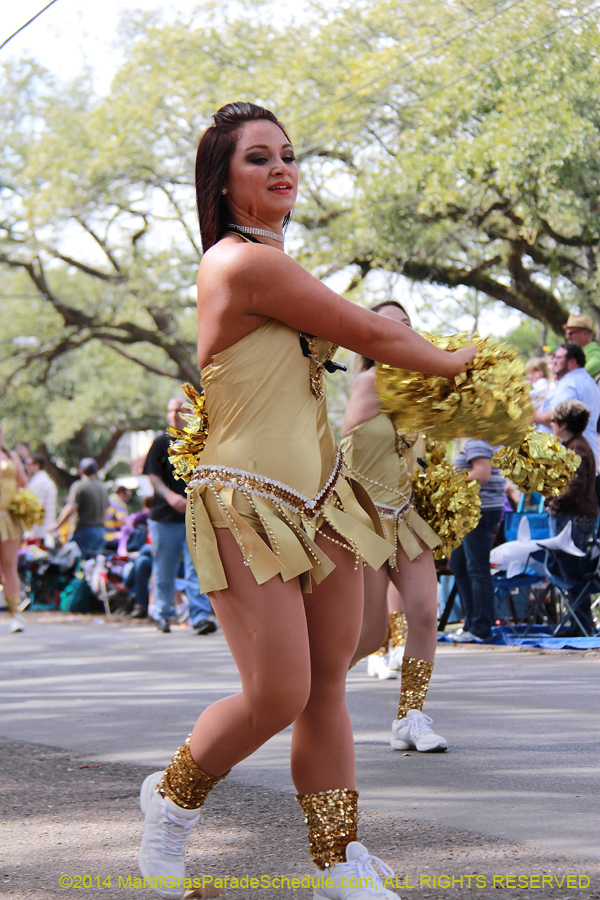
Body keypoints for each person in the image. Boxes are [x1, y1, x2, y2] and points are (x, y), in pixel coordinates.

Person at [136, 101, 477, 900]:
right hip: (243, 500)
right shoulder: (240, 263)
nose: (282, 166)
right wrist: (467, 360)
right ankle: (172, 799)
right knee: (279, 691)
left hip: (320, 497)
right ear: (221, 182)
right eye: (259, 158)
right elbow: (377, 335)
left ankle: (337, 863)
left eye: (287, 154)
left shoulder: (275, 261)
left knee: (329, 681)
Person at [341, 301, 447, 752]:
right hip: (364, 520)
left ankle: (411, 717)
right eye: (389, 325)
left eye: (408, 326)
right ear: (370, 335)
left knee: (424, 613)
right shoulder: (372, 383)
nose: (401, 331)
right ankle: (302, 691)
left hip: (404, 516)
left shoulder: (418, 391)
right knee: (369, 635)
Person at [143, 400, 215, 635]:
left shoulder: (199, 441)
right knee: (164, 568)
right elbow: (153, 476)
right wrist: (169, 496)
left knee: (197, 569)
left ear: (189, 414)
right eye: (170, 411)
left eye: (179, 411)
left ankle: (200, 616)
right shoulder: (161, 441)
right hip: (164, 518)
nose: (174, 415)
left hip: (194, 516)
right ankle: (163, 614)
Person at [547, 399, 599, 635]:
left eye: (554, 421)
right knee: (571, 571)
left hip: (573, 517)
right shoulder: (577, 445)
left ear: (564, 424)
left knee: (571, 573)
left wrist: (554, 501)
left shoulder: (577, 448)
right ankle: (579, 622)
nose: (551, 425)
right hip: (576, 515)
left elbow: (574, 486)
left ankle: (581, 625)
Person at [449, 440, 505, 643]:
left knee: (476, 568)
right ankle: (472, 623)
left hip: (478, 511)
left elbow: (483, 473)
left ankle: (481, 628)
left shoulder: (478, 440)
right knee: (459, 564)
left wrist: (449, 482)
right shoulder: (482, 438)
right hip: (476, 510)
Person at [534, 344, 600, 464]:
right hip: (579, 456)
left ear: (572, 362)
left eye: (558, 358)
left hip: (569, 460)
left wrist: (535, 416)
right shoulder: (585, 380)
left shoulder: (570, 384)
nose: (554, 361)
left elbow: (557, 415)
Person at [0, 423, 28, 632]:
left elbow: (23, 482)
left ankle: (15, 615)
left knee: (10, 566)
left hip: (8, 519)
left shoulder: (11, 456)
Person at [54, 458, 109, 559]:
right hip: (100, 531)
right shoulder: (103, 488)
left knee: (80, 565)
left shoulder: (79, 486)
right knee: (93, 564)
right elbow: (106, 512)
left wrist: (57, 525)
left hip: (84, 531)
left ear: (80, 471)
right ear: (96, 471)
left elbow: (71, 508)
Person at [24, 453, 58, 544]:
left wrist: (29, 534)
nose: (26, 467)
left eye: (29, 464)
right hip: (46, 532)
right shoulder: (46, 481)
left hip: (38, 535)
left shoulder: (38, 483)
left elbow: (36, 509)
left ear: (37, 465)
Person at [563, 313, 600, 379]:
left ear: (585, 333)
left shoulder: (592, 348)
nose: (567, 337)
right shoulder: (574, 351)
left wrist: (575, 375)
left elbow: (597, 363)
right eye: (566, 334)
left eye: (571, 333)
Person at [104, 485, 132, 550]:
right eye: (127, 496)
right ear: (121, 493)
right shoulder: (119, 502)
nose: (128, 499)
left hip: (104, 536)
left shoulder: (110, 498)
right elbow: (122, 520)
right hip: (113, 538)